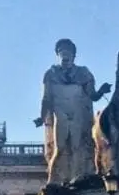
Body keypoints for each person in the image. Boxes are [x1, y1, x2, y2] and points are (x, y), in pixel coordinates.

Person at [34, 38, 111, 185]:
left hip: (79, 114)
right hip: (60, 114)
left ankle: (77, 177)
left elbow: (92, 95)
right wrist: (42, 117)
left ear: (73, 55)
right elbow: (46, 98)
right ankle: (53, 178)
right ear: (58, 55)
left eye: (68, 52)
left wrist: (102, 90)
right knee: (60, 147)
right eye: (62, 52)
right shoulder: (50, 74)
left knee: (78, 147)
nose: (65, 55)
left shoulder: (84, 73)